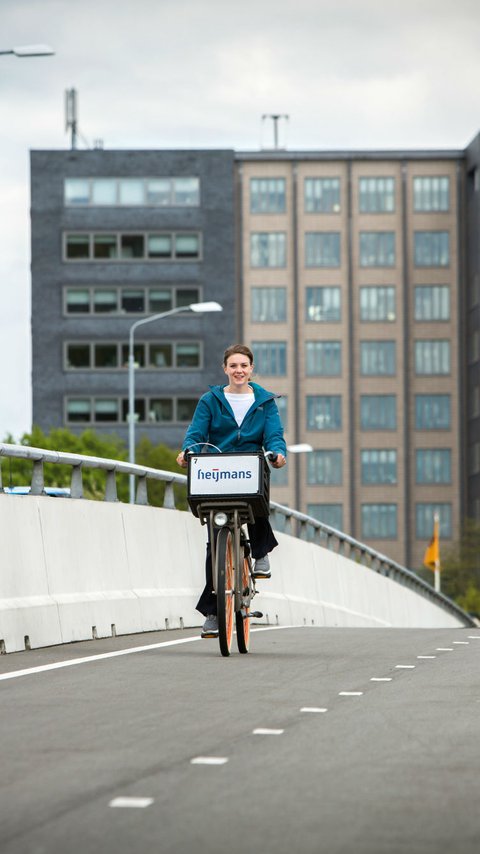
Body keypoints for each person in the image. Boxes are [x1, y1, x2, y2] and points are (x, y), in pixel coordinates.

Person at [176, 344, 287, 638]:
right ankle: (214, 611)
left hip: (250, 465)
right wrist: (188, 450)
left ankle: (261, 552)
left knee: (257, 499)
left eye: (244, 365)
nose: (239, 370)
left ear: (251, 369)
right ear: (225, 369)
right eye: (233, 365)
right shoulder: (210, 400)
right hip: (217, 469)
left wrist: (276, 452)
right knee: (215, 543)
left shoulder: (265, 402)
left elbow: (274, 435)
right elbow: (196, 433)